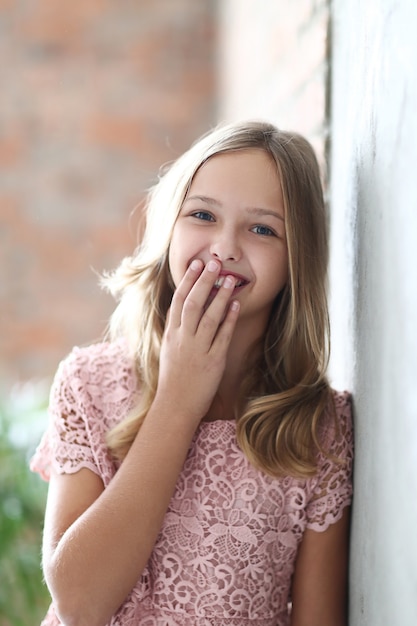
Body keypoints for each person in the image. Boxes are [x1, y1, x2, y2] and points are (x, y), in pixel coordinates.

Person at [31, 120, 353, 626]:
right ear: (169, 228)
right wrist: (179, 400)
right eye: (203, 214)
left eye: (263, 228)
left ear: (298, 260)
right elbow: (79, 604)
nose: (225, 247)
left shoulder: (318, 427)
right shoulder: (88, 385)